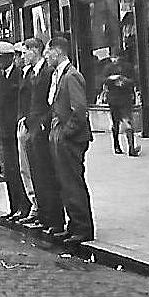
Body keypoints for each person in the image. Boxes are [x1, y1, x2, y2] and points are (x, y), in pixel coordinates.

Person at [45, 36, 95, 245]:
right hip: (62, 136)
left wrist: (66, 133)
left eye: (48, 52)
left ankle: (83, 228)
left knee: (73, 182)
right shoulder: (60, 75)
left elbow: (80, 109)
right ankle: (73, 225)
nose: (46, 57)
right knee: (65, 182)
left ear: (57, 52)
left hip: (71, 138)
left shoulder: (71, 76)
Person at [18, 37, 65, 233]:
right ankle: (44, 216)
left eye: (25, 51)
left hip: (41, 128)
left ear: (35, 50)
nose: (23, 56)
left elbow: (49, 104)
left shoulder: (46, 72)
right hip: (32, 127)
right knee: (36, 173)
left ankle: (54, 218)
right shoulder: (32, 73)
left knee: (46, 174)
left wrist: (41, 124)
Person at [0, 41, 30, 220]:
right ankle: (14, 208)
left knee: (21, 169)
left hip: (17, 129)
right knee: (9, 170)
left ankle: (25, 207)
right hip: (3, 130)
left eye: (0, 58)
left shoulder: (19, 75)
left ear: (9, 58)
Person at [13, 41, 38, 223]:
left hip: (32, 126)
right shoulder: (25, 73)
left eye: (23, 53)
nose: (20, 58)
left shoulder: (34, 73)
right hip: (23, 123)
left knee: (31, 168)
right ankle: (33, 204)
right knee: (24, 169)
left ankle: (37, 207)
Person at [101, 51, 139, 156]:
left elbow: (102, 80)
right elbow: (134, 81)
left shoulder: (108, 68)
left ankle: (117, 146)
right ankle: (130, 147)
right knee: (127, 121)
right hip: (124, 98)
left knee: (115, 122)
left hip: (114, 99)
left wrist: (111, 79)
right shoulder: (128, 67)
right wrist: (124, 81)